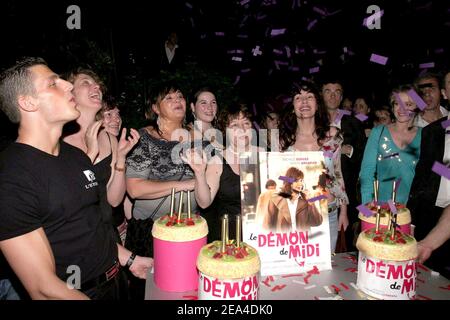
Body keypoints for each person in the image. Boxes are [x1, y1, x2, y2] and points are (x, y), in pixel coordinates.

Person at [0, 57, 152, 299]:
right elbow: (42, 287)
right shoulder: (12, 175)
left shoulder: (76, 157)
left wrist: (129, 259)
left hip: (116, 282)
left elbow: (90, 228)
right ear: (27, 102)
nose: (68, 86)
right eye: (53, 84)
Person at [125, 83, 198, 299]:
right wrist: (184, 185)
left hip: (192, 229)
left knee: (188, 292)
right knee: (153, 293)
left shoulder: (199, 134)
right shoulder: (144, 138)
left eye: (180, 96)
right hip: (151, 233)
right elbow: (135, 188)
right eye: (169, 98)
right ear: (155, 108)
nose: (178, 101)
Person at [63, 68, 140, 248]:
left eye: (97, 84)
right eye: (86, 82)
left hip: (107, 234)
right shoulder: (59, 139)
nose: (96, 86)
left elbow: (114, 200)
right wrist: (89, 155)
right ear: (69, 93)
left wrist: (121, 158)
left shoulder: (109, 138)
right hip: (75, 239)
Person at [280, 80, 349, 253]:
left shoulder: (332, 135)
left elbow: (338, 173)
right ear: (292, 106)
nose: (304, 102)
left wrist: (344, 211)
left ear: (317, 104)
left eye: (309, 97)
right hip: (298, 215)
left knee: (326, 272)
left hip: (330, 213)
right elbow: (281, 178)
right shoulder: (283, 141)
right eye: (298, 98)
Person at [184, 103, 260, 242]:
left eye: (246, 123)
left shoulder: (267, 155)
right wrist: (199, 174)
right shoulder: (217, 160)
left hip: (263, 236)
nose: (242, 129)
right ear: (225, 130)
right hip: (228, 238)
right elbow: (204, 203)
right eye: (234, 125)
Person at [408, 70, 450, 278]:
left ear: (442, 92)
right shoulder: (417, 126)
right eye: (421, 90)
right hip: (431, 208)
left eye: (430, 88)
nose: (427, 94)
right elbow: (427, 169)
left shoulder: (443, 121)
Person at [360, 85, 422, 205]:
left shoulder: (425, 136)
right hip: (379, 209)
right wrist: (367, 206)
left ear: (417, 107)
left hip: (411, 210)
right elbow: (366, 172)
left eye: (408, 104)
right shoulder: (378, 132)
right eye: (397, 103)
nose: (402, 108)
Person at [321, 79, 364, 251]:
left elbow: (363, 155)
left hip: (345, 193)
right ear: (321, 95)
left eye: (337, 91)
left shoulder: (354, 123)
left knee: (342, 243)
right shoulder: (312, 121)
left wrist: (348, 150)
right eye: (327, 90)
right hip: (317, 193)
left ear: (341, 96)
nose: (332, 95)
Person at [95, 95, 130, 245]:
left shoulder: (113, 140)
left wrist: (131, 220)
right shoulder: (76, 143)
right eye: (109, 114)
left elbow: (122, 187)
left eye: (118, 114)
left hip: (115, 223)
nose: (116, 119)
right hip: (97, 227)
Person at [264, 167, 323, 232]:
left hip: (303, 240)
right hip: (283, 240)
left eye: (301, 180)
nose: (300, 184)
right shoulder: (276, 198)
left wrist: (311, 205)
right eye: (296, 181)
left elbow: (317, 222)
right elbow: (267, 224)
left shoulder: (305, 199)